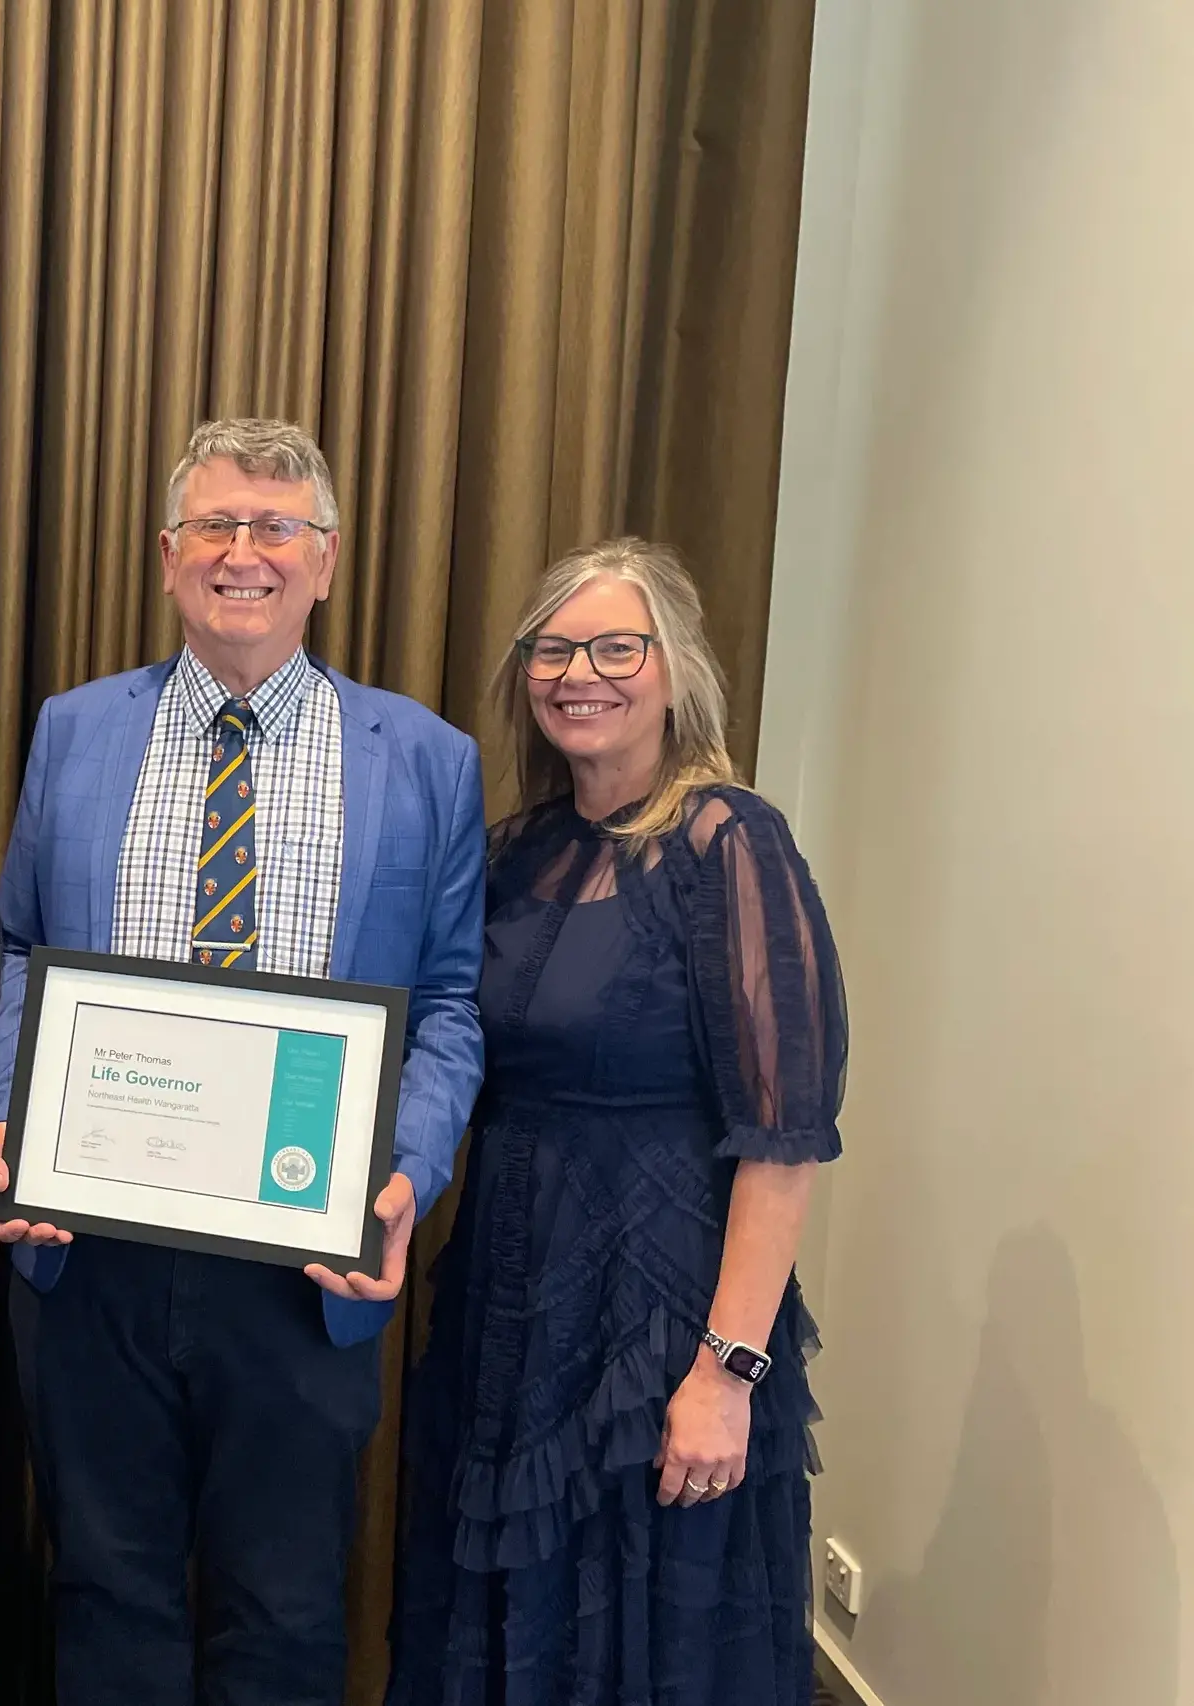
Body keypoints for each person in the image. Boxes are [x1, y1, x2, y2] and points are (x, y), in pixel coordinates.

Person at [0, 418, 488, 1706]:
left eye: (274, 528)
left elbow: (451, 1001)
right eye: (214, 524)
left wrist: (408, 1173)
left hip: (304, 1255)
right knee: (107, 1591)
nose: (241, 552)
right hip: (91, 1249)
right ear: (166, 556)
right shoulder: (75, 730)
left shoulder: (424, 758)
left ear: (323, 561)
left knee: (284, 1607)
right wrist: (8, 1123)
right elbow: (23, 952)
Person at [387, 538, 846, 1706]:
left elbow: (784, 1137)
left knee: (641, 1633)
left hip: (660, 1320)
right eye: (553, 647)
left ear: (674, 670)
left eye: (613, 646)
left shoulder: (730, 845)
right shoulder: (515, 851)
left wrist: (726, 1371)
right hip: (506, 1306)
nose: (578, 672)